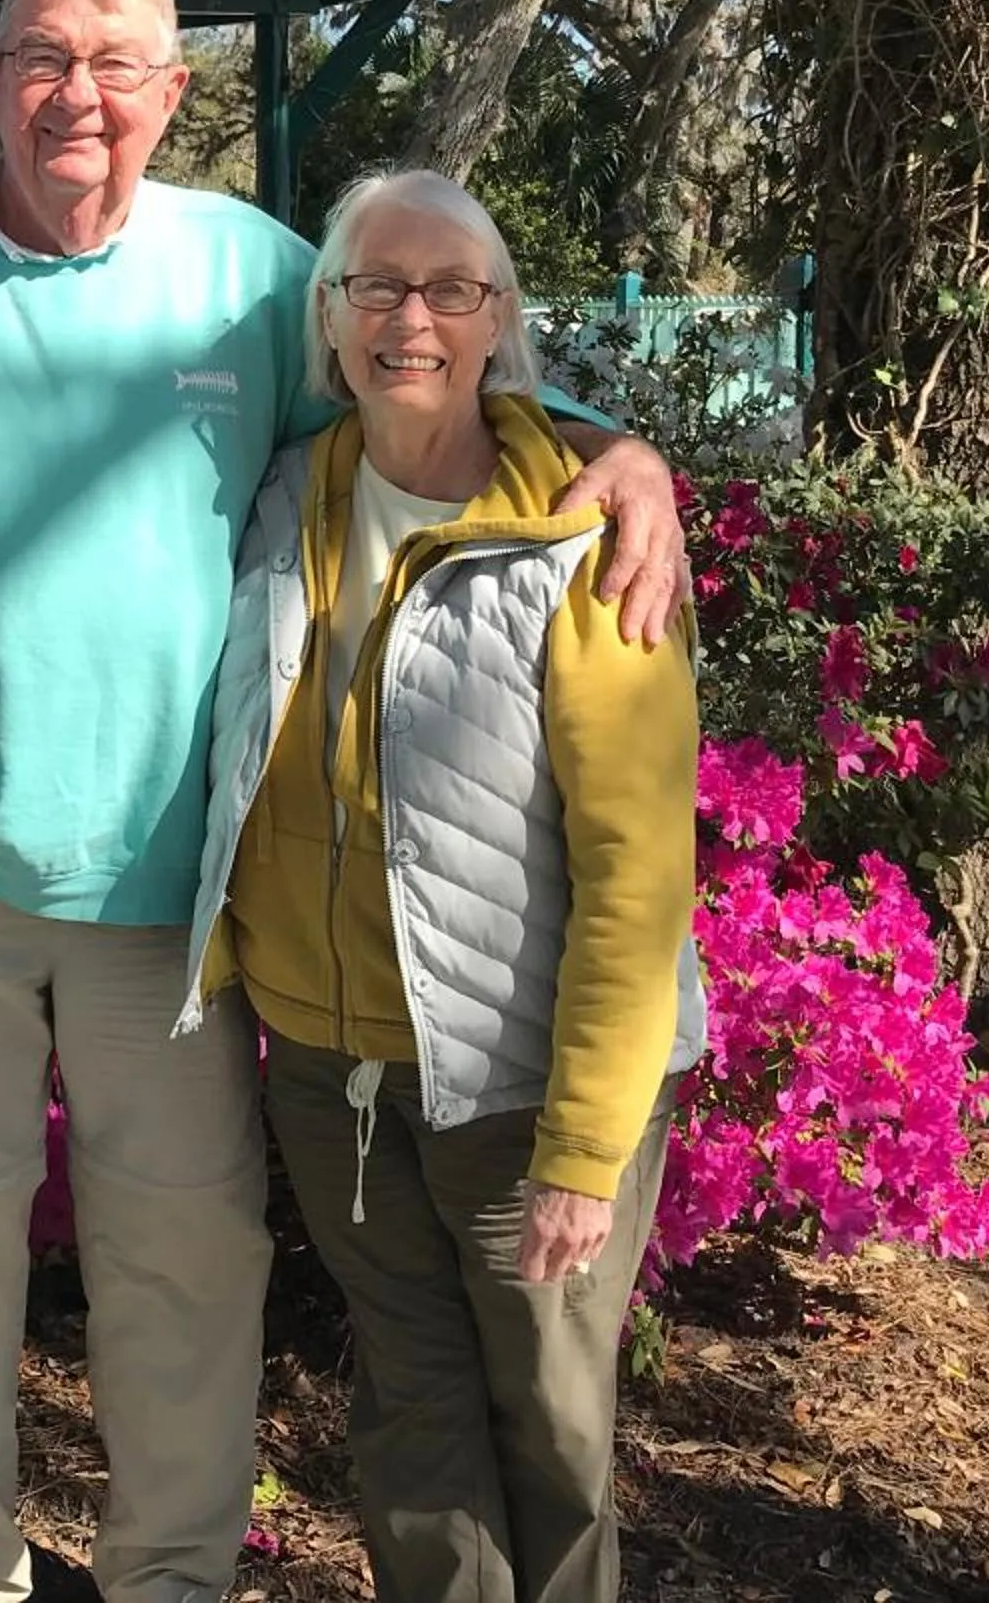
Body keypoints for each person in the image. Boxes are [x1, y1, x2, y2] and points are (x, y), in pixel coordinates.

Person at [0, 0, 688, 1603]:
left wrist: (607, 443)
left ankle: (174, 1575)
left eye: (115, 63)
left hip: (173, 890)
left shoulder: (250, 270)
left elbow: (421, 374)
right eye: (41, 58)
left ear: (173, 92)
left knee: (185, 1252)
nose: (77, 94)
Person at [193, 167, 703, 1603]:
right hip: (333, 1069)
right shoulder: (289, 489)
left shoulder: (591, 541)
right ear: (333, 313)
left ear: (497, 321)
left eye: (451, 289)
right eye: (378, 285)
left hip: (521, 1076)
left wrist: (586, 1144)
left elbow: (637, 866)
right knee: (410, 1413)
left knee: (547, 1424)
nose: (410, 315)